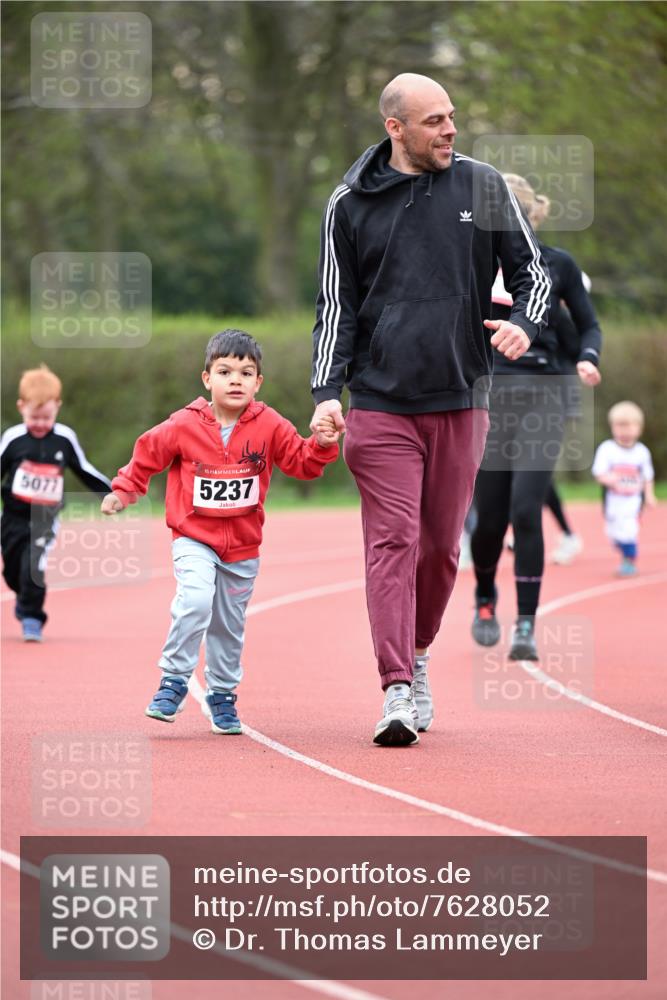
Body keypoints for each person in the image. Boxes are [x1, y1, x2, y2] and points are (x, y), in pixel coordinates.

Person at [309, 73, 551, 746]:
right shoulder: (348, 202)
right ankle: (394, 687)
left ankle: (416, 657)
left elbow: (532, 273)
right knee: (393, 541)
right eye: (434, 121)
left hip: (461, 399)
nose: (450, 130)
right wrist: (327, 393)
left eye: (451, 117)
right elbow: (335, 306)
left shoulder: (482, 184)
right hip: (380, 404)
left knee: (441, 549)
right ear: (396, 128)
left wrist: (524, 326)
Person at [101, 330, 339, 735]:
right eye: (225, 371)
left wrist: (321, 443)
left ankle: (222, 695)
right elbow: (148, 452)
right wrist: (125, 489)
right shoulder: (184, 424)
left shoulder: (270, 424)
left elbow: (301, 462)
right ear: (207, 378)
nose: (235, 380)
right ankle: (173, 681)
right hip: (193, 537)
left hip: (243, 547)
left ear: (258, 383)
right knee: (194, 601)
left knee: (228, 626)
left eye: (246, 373)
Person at [470, 173, 602, 661]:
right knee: (490, 519)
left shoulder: (557, 264)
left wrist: (587, 357)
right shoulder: (471, 262)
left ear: (530, 216)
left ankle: (525, 624)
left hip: (545, 393)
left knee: (526, 509)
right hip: (489, 396)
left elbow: (587, 326)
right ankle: (486, 594)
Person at [1, 364, 112, 642]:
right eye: (34, 417)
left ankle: (31, 617)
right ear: (21, 407)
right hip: (12, 518)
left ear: (57, 408)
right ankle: (23, 597)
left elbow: (84, 469)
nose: (40, 424)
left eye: (46, 417)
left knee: (33, 568)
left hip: (45, 519)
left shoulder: (64, 438)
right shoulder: (13, 439)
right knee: (13, 572)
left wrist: (111, 492)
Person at [592, 401, 656, 576]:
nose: (624, 431)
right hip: (613, 501)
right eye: (620, 426)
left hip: (632, 501)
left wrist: (649, 495)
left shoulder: (641, 452)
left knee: (628, 530)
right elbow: (598, 472)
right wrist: (609, 479)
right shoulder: (607, 449)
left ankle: (629, 561)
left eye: (629, 426)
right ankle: (624, 548)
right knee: (613, 534)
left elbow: (647, 477)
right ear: (612, 427)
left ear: (639, 428)